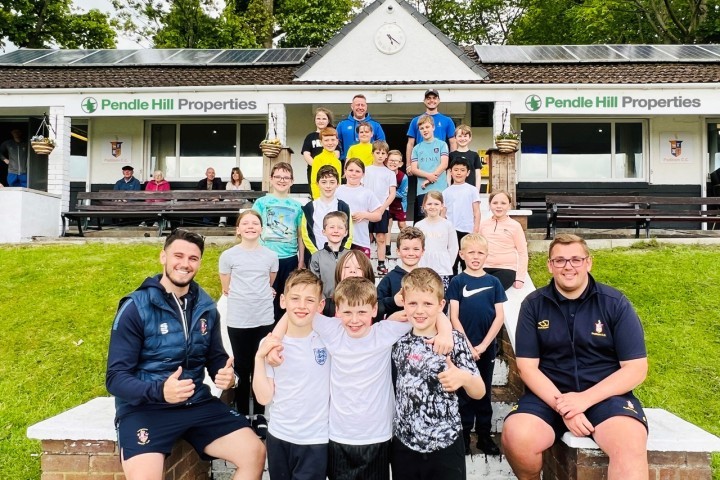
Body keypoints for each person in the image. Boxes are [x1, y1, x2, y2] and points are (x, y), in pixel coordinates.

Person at [105, 229, 265, 480]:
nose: (185, 263)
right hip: (146, 407)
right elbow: (115, 378)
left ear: (199, 263)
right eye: (178, 255)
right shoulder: (135, 306)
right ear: (163, 257)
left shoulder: (205, 305)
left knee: (255, 452)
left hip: (195, 403)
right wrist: (160, 391)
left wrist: (226, 375)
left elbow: (215, 357)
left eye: (193, 258)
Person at [272, 277, 453, 480]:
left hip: (378, 436)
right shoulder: (332, 330)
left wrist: (446, 331)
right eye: (347, 312)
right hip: (338, 435)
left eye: (362, 312)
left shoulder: (385, 332)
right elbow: (295, 313)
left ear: (374, 310)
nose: (355, 320)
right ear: (337, 311)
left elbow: (424, 314)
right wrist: (274, 340)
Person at [502, 234, 649, 480]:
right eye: (559, 260)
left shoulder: (615, 303)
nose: (568, 266)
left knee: (630, 443)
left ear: (588, 262)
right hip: (549, 396)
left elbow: (635, 368)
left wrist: (584, 400)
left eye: (575, 260)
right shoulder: (533, 305)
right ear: (550, 265)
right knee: (516, 436)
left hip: (605, 396)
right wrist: (567, 408)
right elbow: (527, 368)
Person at [391, 268, 484, 480]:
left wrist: (463, 378)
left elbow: (479, 392)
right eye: (413, 303)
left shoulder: (455, 340)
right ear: (404, 303)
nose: (419, 310)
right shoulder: (396, 337)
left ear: (441, 305)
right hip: (405, 445)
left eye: (427, 304)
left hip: (446, 444)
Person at [252, 269, 330, 480]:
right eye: (295, 299)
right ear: (283, 301)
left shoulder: (329, 340)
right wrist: (259, 358)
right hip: (279, 436)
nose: (302, 306)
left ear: (320, 305)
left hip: (315, 439)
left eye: (309, 300)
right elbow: (264, 397)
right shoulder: (270, 345)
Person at [219, 210, 279, 436]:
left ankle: (261, 414)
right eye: (245, 223)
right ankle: (243, 413)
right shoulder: (228, 256)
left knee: (261, 367)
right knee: (243, 368)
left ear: (262, 229)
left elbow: (270, 280)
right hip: (239, 320)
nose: (251, 226)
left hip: (264, 319)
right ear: (238, 229)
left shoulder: (271, 256)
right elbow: (226, 287)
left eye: (255, 223)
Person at [446, 233, 507, 455]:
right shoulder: (457, 281)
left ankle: (483, 435)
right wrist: (468, 346)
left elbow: (499, 317)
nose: (475, 256)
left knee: (483, 391)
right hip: (462, 349)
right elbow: (454, 316)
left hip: (486, 348)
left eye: (480, 252)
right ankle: (463, 435)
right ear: (461, 254)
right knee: (463, 392)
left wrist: (482, 346)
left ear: (486, 255)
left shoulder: (494, 282)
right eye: (471, 252)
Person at [252, 162, 305, 320]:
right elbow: (253, 229)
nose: (282, 180)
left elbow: (300, 235)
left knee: (287, 299)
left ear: (292, 181)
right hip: (265, 258)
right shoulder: (261, 203)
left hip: (289, 260)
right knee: (267, 299)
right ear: (271, 179)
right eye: (278, 177)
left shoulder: (297, 206)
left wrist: (301, 260)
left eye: (286, 177)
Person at [301, 164, 352, 262]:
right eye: (324, 182)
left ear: (338, 184)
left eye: (332, 182)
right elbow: (305, 234)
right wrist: (316, 254)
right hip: (314, 257)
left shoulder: (343, 207)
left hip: (339, 258)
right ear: (317, 183)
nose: (328, 186)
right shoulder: (309, 207)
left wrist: (341, 253)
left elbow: (349, 234)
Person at [479, 190, 528, 290]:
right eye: (495, 203)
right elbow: (478, 248)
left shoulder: (515, 226)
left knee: (492, 290)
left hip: (506, 268)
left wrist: (520, 278)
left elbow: (522, 252)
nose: (499, 206)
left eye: (503, 203)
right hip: (484, 267)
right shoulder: (484, 225)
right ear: (489, 205)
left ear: (509, 206)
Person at [335, 158, 383, 258]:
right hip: (339, 240)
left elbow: (378, 215)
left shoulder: (367, 193)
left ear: (363, 174)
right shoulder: (337, 190)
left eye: (358, 171)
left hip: (361, 240)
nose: (354, 174)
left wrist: (364, 215)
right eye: (351, 170)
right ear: (345, 171)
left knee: (361, 271)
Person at [363, 140, 397, 276]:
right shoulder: (365, 170)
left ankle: (381, 263)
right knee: (366, 237)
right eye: (377, 152)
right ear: (372, 153)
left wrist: (382, 208)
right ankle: (365, 264)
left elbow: (392, 193)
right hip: (366, 209)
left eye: (383, 153)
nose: (380, 155)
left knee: (381, 237)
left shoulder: (389, 173)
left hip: (382, 209)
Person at [376, 226, 425, 319]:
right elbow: (375, 306)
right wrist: (393, 301)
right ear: (398, 251)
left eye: (416, 249)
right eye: (406, 249)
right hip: (396, 330)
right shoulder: (389, 279)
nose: (411, 253)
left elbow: (441, 304)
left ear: (423, 251)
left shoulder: (429, 278)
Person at [443, 158, 481, 274]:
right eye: (456, 170)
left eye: (462, 170)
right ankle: (452, 285)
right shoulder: (446, 192)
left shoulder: (472, 190)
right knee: (452, 260)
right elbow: (443, 214)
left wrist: (475, 230)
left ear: (468, 173)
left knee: (467, 260)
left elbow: (477, 212)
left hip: (467, 230)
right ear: (450, 172)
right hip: (451, 231)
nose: (459, 173)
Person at [415, 191, 458, 290]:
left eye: (436, 204)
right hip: (423, 268)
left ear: (442, 206)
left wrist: (448, 264)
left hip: (442, 270)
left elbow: (453, 247)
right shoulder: (419, 225)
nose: (432, 207)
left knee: (440, 296)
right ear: (424, 206)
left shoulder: (448, 225)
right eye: (429, 204)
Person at [410, 115, 449, 223]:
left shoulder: (442, 144)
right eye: (422, 128)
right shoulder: (417, 148)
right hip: (423, 191)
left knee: (440, 220)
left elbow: (444, 164)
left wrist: (431, 178)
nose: (425, 130)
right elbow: (414, 169)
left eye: (427, 127)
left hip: (440, 189)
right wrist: (428, 176)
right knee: (424, 222)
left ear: (433, 127)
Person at [405, 89, 457, 169]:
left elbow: (453, 143)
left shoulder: (447, 120)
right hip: (421, 162)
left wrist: (453, 164)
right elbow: (410, 144)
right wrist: (408, 165)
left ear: (439, 100)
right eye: (428, 98)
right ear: (424, 101)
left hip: (440, 162)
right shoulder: (415, 120)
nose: (431, 100)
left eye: (434, 98)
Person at [309, 211, 350, 308]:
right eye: (331, 227)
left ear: (346, 232)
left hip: (348, 302)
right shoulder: (316, 257)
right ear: (324, 231)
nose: (336, 231)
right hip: (325, 304)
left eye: (340, 228)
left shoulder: (351, 256)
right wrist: (322, 301)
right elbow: (314, 283)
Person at [322, 249, 375, 318]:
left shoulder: (378, 307)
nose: (352, 271)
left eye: (359, 268)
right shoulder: (326, 307)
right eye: (347, 267)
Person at [336, 94, 385, 159]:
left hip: (370, 164)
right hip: (348, 165)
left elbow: (382, 145)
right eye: (357, 105)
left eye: (362, 105)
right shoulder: (342, 124)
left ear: (366, 107)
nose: (360, 107)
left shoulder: (375, 125)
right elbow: (336, 143)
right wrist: (342, 157)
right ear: (352, 106)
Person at [302, 107, 339, 185]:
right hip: (314, 170)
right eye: (318, 118)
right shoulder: (310, 136)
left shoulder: (332, 135)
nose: (321, 121)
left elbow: (337, 153)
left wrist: (327, 167)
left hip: (331, 170)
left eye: (324, 119)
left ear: (328, 120)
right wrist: (317, 165)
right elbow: (306, 154)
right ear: (315, 120)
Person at [385, 150, 408, 257]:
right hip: (387, 204)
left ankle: (406, 243)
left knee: (402, 224)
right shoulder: (383, 174)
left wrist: (391, 193)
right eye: (391, 160)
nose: (393, 163)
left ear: (401, 163)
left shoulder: (403, 177)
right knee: (387, 224)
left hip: (399, 204)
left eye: (396, 161)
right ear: (386, 161)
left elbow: (403, 193)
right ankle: (387, 247)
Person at [309, 127, 343, 200]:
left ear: (337, 141)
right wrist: (317, 199)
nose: (330, 143)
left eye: (333, 140)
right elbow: (314, 181)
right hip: (320, 199)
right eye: (326, 140)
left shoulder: (338, 162)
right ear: (321, 142)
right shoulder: (318, 159)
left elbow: (338, 183)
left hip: (334, 199)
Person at [448, 125, 483, 191]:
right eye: (460, 136)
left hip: (470, 190)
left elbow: (478, 175)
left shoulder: (474, 155)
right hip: (455, 190)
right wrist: (449, 188)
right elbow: (449, 174)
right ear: (455, 138)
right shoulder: (451, 155)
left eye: (465, 136)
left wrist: (477, 190)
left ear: (470, 138)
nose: (462, 138)